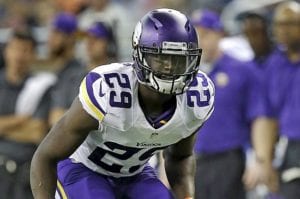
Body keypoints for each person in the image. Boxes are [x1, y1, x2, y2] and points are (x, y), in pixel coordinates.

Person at [30, 8, 215, 199]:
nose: (169, 66)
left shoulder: (197, 97)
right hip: (83, 169)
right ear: (139, 54)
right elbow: (45, 157)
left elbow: (180, 156)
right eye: (161, 57)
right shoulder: (109, 90)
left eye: (178, 59)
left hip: (135, 175)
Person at [190, 9, 267, 199]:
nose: (200, 41)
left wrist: (259, 158)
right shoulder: (183, 75)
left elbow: (258, 116)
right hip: (192, 161)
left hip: (227, 158)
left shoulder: (242, 70)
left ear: (220, 34)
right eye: (195, 35)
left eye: (205, 34)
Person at [252, 1, 300, 199]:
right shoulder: (273, 65)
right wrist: (264, 161)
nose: (283, 30)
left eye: (290, 24)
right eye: (279, 24)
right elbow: (266, 116)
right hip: (288, 148)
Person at [0, 29, 55, 199]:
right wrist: (21, 120)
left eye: (25, 50)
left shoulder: (41, 87)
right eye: (15, 48)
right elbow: (30, 128)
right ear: (6, 51)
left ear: (33, 55)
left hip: (25, 171)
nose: (19, 55)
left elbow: (37, 132)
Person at [46, 12, 86, 126]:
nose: (50, 38)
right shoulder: (55, 70)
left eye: (56, 33)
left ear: (70, 37)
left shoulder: (78, 73)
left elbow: (59, 119)